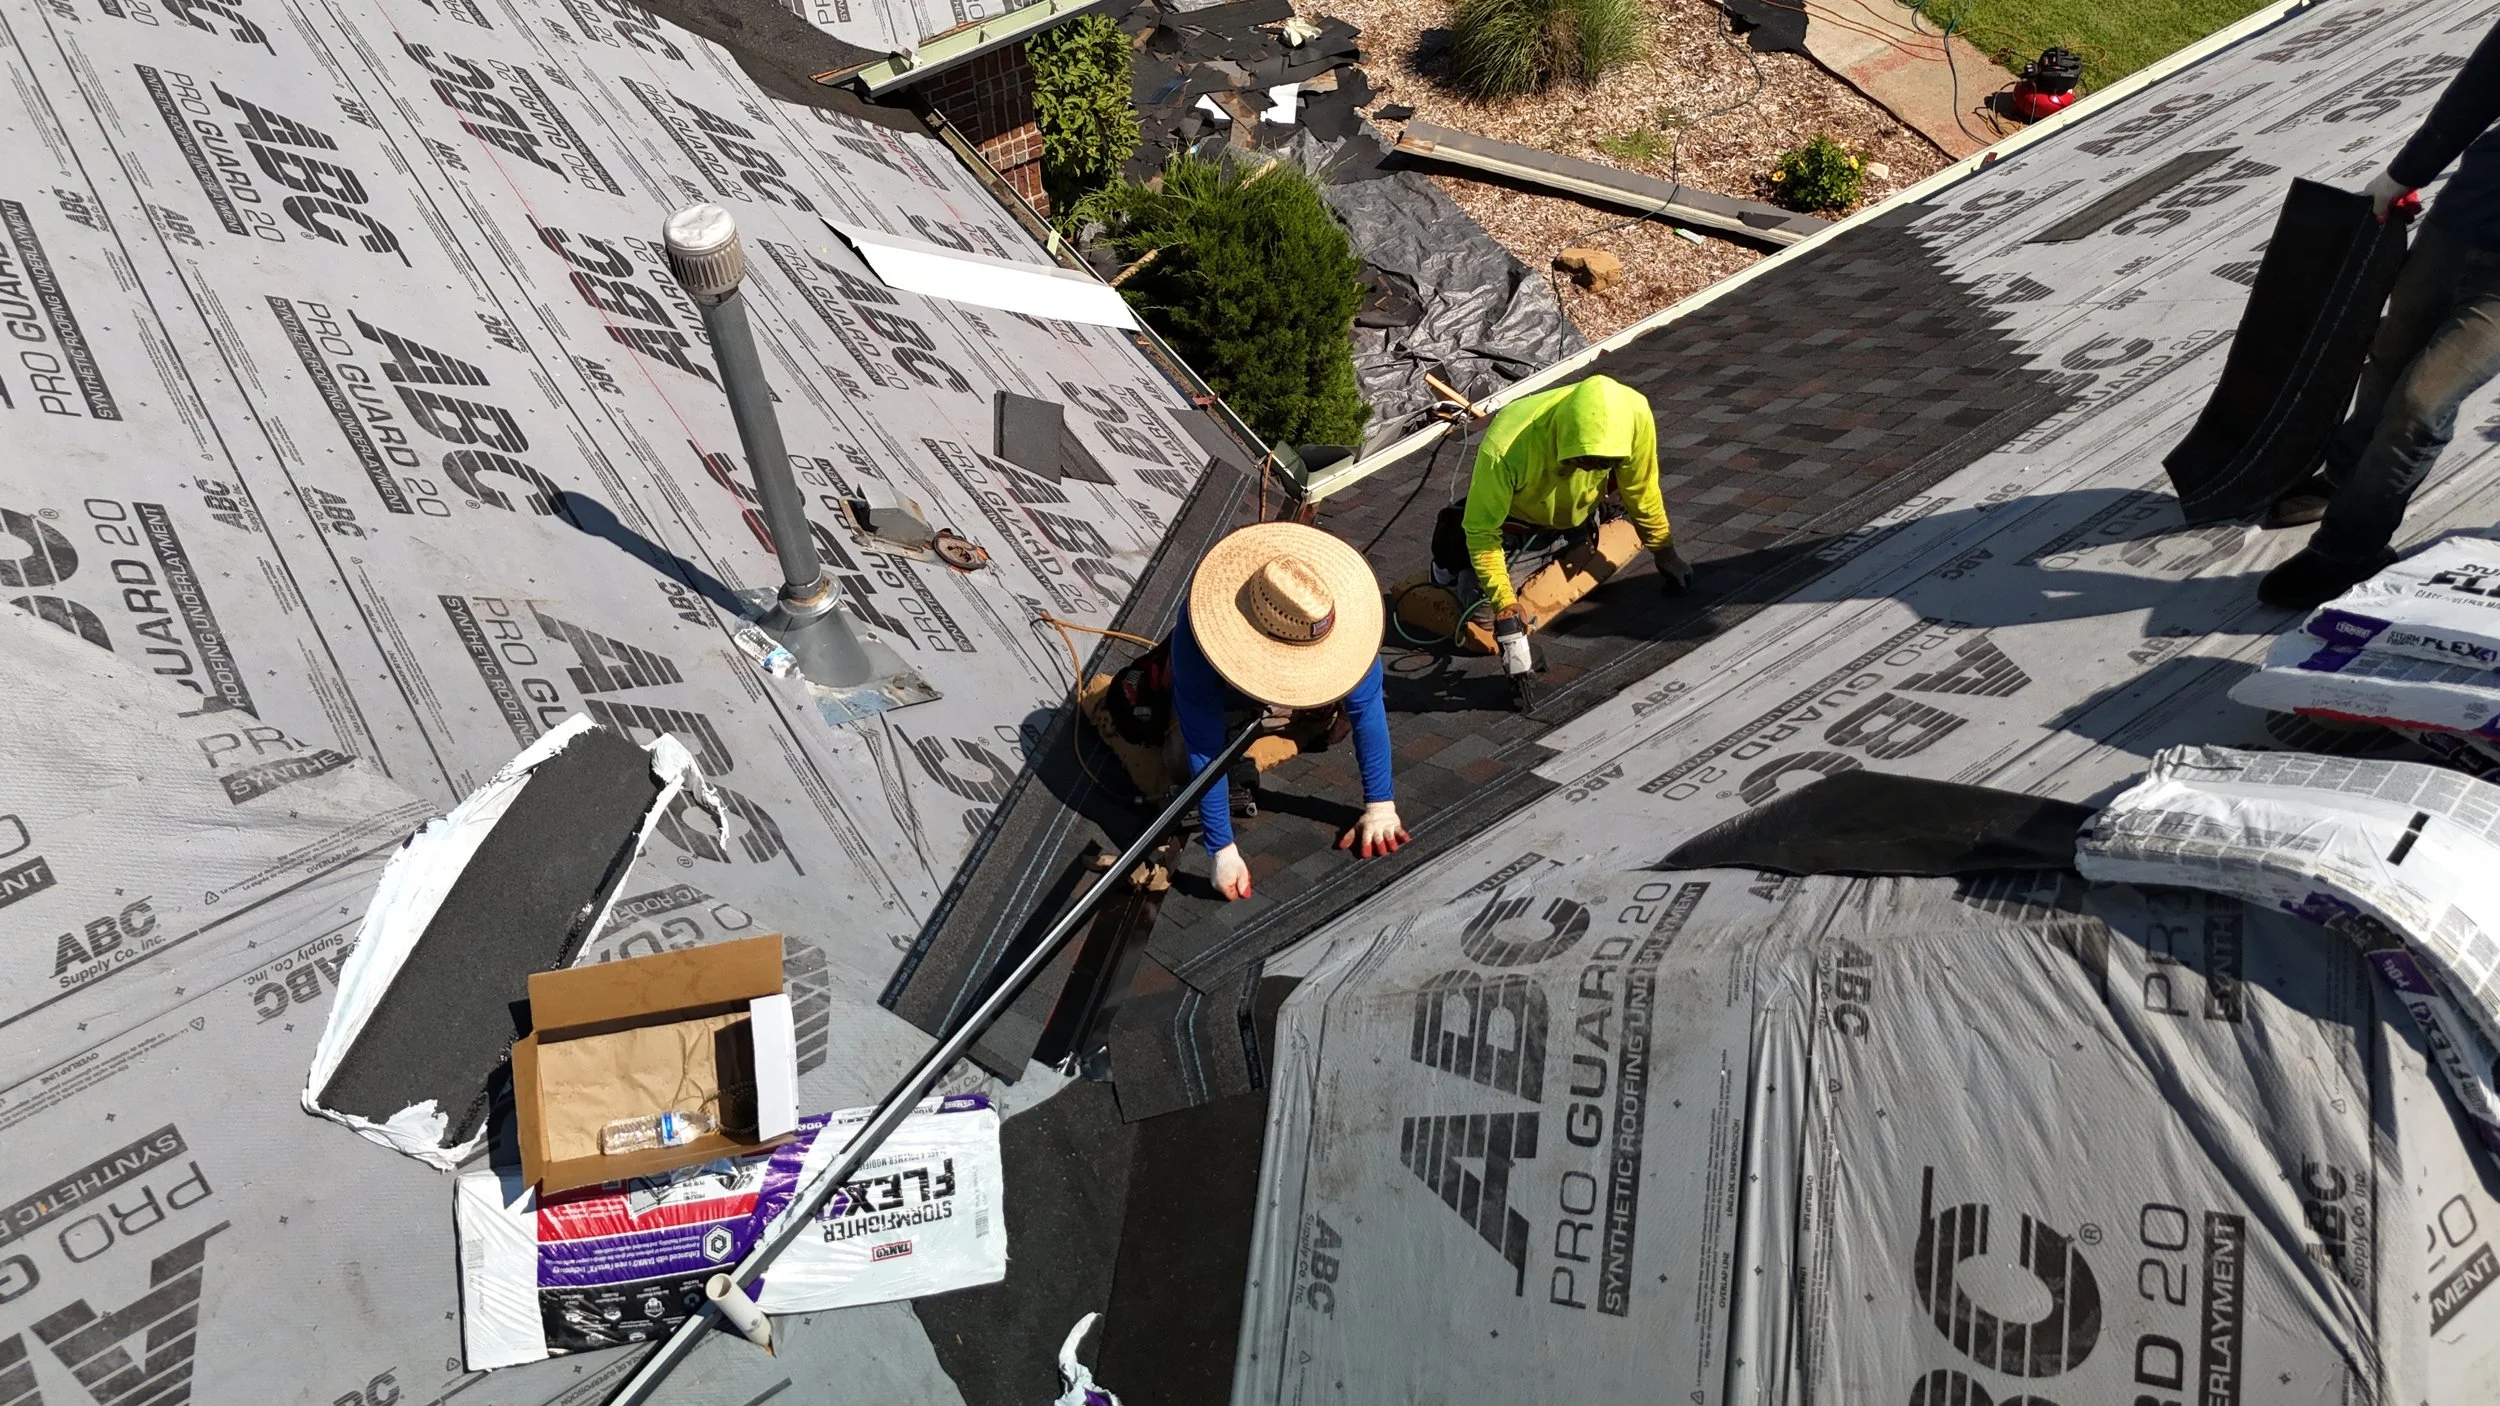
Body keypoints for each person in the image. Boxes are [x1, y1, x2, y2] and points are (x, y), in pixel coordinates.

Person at [2260, 20, 2500, 609]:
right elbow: (2471, 98)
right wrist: (2399, 177)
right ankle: (2344, 475)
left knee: (2422, 403)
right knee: (2390, 356)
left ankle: (2347, 549)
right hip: (2458, 226)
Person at [1171, 522, 1404, 901]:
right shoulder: (1197, 644)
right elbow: (1204, 748)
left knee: (1333, 719)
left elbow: (1366, 708)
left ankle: (1307, 716)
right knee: (1177, 760)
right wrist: (1222, 849)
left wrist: (1381, 805)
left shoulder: (1332, 612)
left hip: (1295, 706)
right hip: (1229, 706)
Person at [1431, 374, 1691, 625]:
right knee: (1484, 615)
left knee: (1622, 526)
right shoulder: (1506, 446)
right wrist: (1505, 603)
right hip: (1519, 528)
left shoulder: (1633, 415)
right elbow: (1483, 532)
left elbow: (1641, 491)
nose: (1592, 469)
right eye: (1584, 461)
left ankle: (1572, 531)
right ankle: (1455, 560)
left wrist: (1665, 553)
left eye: (1604, 463)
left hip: (1575, 517)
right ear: (1563, 437)